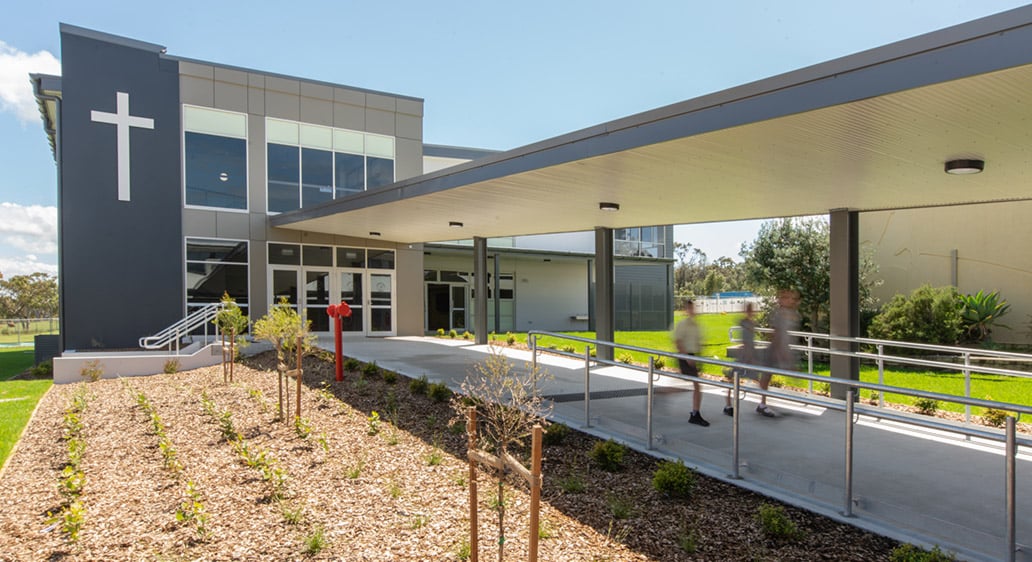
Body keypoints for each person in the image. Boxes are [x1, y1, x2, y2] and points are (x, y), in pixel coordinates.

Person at [760, 288, 801, 417]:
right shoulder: (779, 314)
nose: (790, 300)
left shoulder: (790, 313)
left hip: (784, 348)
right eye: (786, 298)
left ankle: (762, 402)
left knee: (768, 375)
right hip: (777, 349)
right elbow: (776, 333)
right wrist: (779, 351)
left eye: (792, 298)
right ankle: (762, 403)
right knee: (766, 376)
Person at [673, 299, 709, 427]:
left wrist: (700, 359)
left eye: (693, 308)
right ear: (686, 310)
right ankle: (695, 414)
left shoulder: (696, 325)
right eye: (690, 308)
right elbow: (678, 342)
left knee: (691, 385)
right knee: (697, 386)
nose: (693, 310)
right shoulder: (683, 324)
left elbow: (698, 343)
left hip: (693, 357)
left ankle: (661, 394)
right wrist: (687, 357)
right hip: (685, 356)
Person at [723, 302, 757, 416]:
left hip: (748, 356)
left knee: (734, 379)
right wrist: (748, 357)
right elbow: (746, 342)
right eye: (750, 310)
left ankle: (763, 404)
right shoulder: (747, 325)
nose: (752, 312)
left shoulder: (750, 324)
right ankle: (728, 405)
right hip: (745, 357)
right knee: (733, 379)